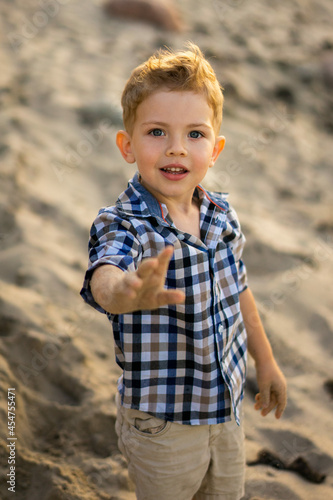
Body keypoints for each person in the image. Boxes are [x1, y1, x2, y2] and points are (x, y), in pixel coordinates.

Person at [80, 42, 287, 500]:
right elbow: (105, 275)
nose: (176, 148)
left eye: (195, 134)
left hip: (226, 408)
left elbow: (240, 291)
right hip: (163, 423)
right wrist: (126, 293)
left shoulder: (221, 216)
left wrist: (266, 361)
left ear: (215, 149)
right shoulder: (124, 223)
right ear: (127, 145)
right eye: (157, 132)